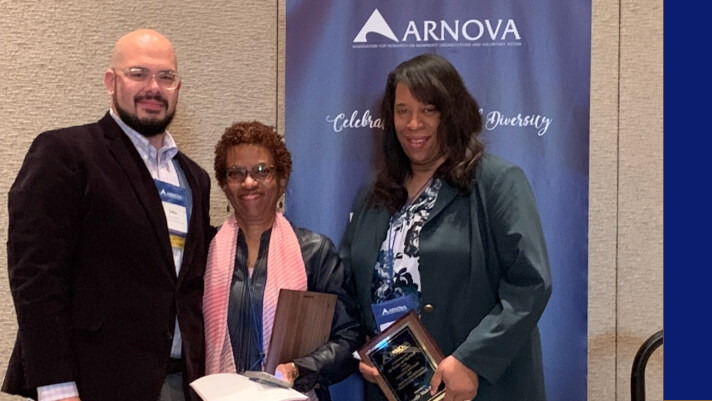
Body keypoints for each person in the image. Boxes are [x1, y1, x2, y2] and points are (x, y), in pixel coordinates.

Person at [2, 29, 212, 401]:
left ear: (178, 87)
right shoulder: (66, 153)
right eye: (138, 73)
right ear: (110, 82)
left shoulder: (194, 178)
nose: (154, 87)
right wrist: (57, 388)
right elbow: (36, 278)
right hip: (91, 385)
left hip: (179, 384)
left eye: (166, 77)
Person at [340, 53, 553, 401]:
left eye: (429, 109)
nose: (413, 123)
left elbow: (530, 284)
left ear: (452, 112)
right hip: (392, 386)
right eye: (403, 110)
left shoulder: (496, 182)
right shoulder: (374, 193)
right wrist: (365, 350)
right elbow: (350, 287)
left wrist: (472, 360)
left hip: (477, 388)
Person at [203, 121, 361, 400]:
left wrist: (299, 369)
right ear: (225, 186)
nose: (249, 182)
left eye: (262, 171)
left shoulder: (315, 252)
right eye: (237, 173)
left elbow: (349, 337)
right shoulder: (204, 252)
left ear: (283, 179)